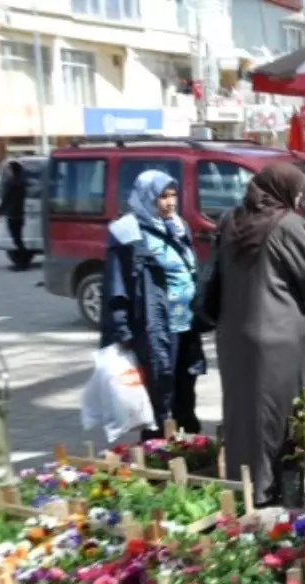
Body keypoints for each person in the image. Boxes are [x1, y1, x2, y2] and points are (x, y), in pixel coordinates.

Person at [214, 162, 305, 508]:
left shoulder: (229, 219)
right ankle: (274, 488)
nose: (302, 195)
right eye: (299, 188)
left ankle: (242, 484)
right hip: (278, 335)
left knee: (241, 411)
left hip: (233, 332)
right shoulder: (288, 224)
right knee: (280, 413)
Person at [100, 171, 205, 440]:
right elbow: (116, 285)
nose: (170, 203)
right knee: (159, 388)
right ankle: (156, 450)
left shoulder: (178, 226)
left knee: (184, 383)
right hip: (153, 324)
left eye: (173, 195)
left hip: (184, 323)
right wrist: (121, 329)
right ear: (147, 197)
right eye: (163, 196)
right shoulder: (127, 232)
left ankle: (187, 449)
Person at [0, 161, 29, 267]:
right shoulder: (22, 183)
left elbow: (6, 198)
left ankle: (22, 262)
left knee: (16, 238)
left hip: (12, 213)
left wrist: (0, 210)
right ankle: (23, 261)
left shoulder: (10, 183)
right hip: (20, 213)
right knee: (19, 237)